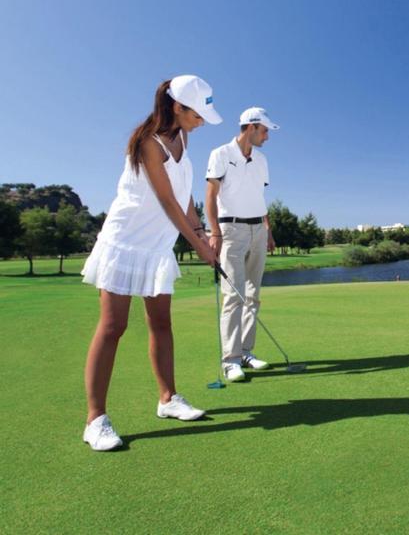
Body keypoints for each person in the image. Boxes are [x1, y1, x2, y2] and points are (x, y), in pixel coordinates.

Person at [80, 75, 222, 451]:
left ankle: (168, 399)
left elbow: (184, 197)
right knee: (113, 326)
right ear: (177, 106)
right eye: (198, 113)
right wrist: (199, 247)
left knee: (161, 323)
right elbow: (166, 202)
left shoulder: (183, 139)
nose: (202, 121)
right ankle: (95, 420)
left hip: (157, 245)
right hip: (125, 242)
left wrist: (203, 233)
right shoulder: (148, 143)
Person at [205, 106, 278, 382]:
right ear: (251, 127)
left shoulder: (261, 161)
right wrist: (215, 232)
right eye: (264, 131)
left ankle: (246, 352)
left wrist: (268, 230)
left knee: (253, 294)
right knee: (232, 295)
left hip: (258, 228)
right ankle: (230, 360)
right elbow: (210, 196)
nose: (267, 137)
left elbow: (259, 198)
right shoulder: (220, 154)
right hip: (230, 228)